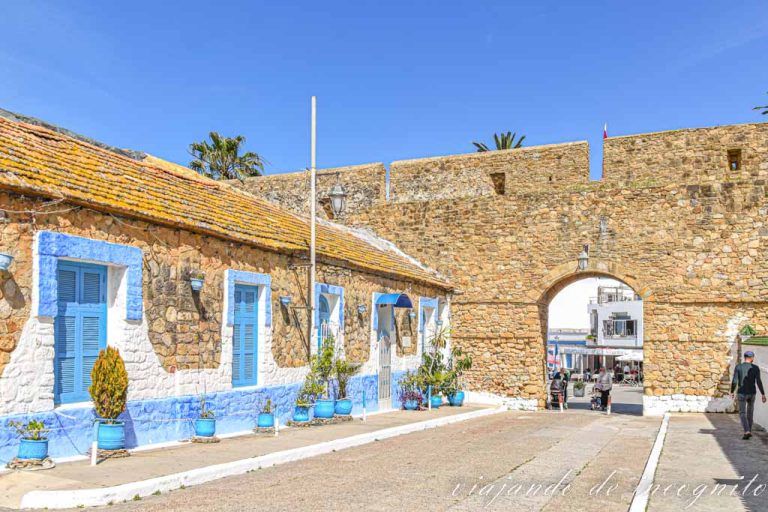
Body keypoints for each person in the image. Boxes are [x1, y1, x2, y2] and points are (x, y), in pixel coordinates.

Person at [731, 351, 766, 440]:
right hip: (752, 393)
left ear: (745, 357)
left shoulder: (738, 367)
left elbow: (734, 381)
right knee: (750, 413)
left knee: (742, 413)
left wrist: (732, 391)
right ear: (752, 358)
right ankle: (748, 431)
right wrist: (763, 394)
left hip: (741, 393)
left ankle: (747, 431)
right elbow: (758, 381)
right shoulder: (755, 368)